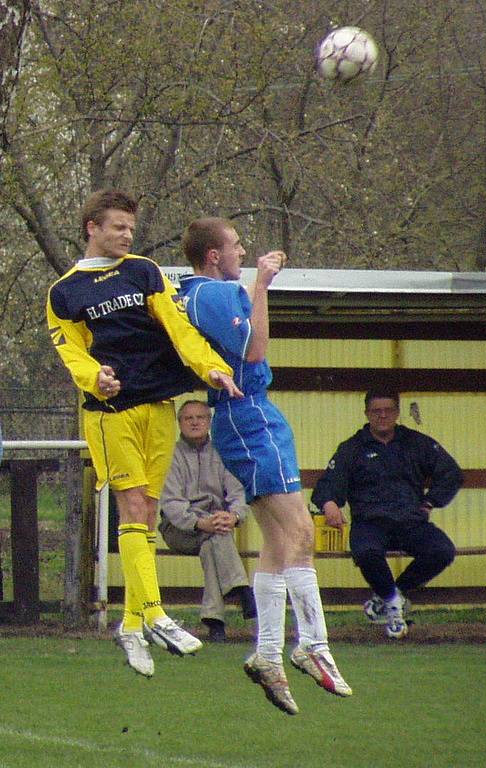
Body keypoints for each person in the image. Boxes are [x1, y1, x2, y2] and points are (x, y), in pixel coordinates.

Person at [46, 190, 242, 678]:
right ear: (92, 227)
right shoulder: (64, 292)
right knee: (133, 506)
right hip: (111, 412)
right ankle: (155, 614)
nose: (126, 235)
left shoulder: (145, 272)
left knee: (147, 515)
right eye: (117, 227)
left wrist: (211, 367)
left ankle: (131, 625)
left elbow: (178, 328)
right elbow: (71, 353)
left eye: (130, 228)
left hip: (159, 405)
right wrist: (96, 377)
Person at [179, 217, 352, 716]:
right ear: (214, 255)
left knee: (284, 541)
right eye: (235, 245)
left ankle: (270, 653)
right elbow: (254, 348)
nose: (241, 251)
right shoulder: (212, 294)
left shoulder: (203, 292)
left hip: (249, 414)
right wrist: (262, 284)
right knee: (301, 532)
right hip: (247, 413)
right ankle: (311, 645)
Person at [312, 388, 463, 639]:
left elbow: (451, 473)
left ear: (397, 413)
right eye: (376, 411)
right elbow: (328, 483)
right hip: (370, 523)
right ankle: (394, 608)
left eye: (388, 410)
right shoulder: (352, 448)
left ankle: (392, 595)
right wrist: (329, 503)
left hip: (411, 522)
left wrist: (430, 501)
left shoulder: (416, 443)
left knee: (442, 550)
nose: (382, 416)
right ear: (367, 414)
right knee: (366, 552)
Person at [158, 399, 256, 642]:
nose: (194, 422)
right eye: (188, 418)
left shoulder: (222, 453)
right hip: (179, 527)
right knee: (215, 535)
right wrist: (199, 522)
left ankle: (215, 622)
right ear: (179, 423)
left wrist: (233, 516)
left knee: (211, 544)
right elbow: (170, 503)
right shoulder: (169, 455)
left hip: (215, 525)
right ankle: (241, 589)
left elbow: (237, 493)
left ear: (209, 422)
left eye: (200, 417)